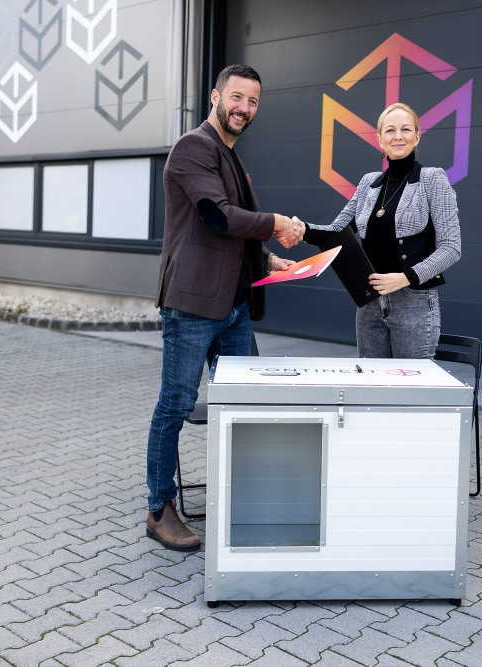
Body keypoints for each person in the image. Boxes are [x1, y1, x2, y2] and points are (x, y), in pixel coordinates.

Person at [145, 64, 305, 551]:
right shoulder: (193, 147)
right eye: (237, 97)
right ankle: (159, 508)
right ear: (215, 96)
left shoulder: (231, 157)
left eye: (253, 101)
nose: (244, 108)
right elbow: (217, 217)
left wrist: (270, 259)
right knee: (175, 405)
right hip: (193, 307)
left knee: (246, 403)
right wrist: (276, 222)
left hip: (234, 308)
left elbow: (231, 236)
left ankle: (245, 497)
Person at [303, 102, 461, 359]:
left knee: (411, 381)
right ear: (379, 139)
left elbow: (451, 247)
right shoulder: (368, 183)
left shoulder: (433, 179)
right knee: (371, 380)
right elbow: (337, 231)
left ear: (417, 136)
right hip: (369, 305)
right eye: (390, 130)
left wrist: (406, 277)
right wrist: (301, 230)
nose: (398, 136)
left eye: (405, 129)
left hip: (414, 304)